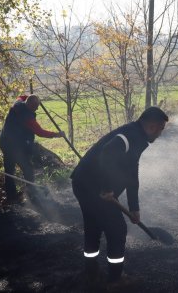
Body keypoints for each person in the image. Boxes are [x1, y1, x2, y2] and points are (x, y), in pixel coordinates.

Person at [70, 106, 168, 286]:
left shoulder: (137, 136)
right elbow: (107, 153)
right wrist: (107, 188)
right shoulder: (130, 136)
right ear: (153, 126)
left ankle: (91, 273)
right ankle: (116, 280)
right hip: (93, 189)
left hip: (83, 183)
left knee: (93, 226)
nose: (161, 133)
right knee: (117, 230)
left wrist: (134, 207)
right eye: (161, 128)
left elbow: (132, 173)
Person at [0, 94, 64, 203]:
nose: (38, 108)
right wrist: (57, 134)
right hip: (13, 147)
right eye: (36, 106)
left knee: (10, 171)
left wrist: (33, 97)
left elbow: (22, 96)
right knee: (27, 169)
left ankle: (13, 196)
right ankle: (30, 195)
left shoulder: (18, 104)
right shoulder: (27, 117)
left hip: (5, 141)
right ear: (29, 105)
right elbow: (40, 132)